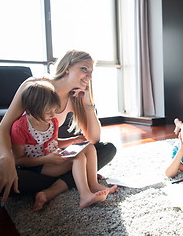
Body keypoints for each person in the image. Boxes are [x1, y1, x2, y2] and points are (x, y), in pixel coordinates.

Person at [0, 50, 116, 206]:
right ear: (68, 67)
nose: (89, 76)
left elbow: (94, 139)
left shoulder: (75, 98)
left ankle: (59, 185)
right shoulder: (34, 87)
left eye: (91, 72)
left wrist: (88, 102)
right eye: (84, 69)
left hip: (53, 158)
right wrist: (6, 160)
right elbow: (2, 129)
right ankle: (70, 179)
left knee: (107, 149)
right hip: (29, 162)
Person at [11, 81, 117, 209]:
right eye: (48, 111)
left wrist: (72, 140)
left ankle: (93, 184)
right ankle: (85, 195)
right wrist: (46, 159)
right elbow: (19, 160)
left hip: (53, 157)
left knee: (88, 147)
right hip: (37, 165)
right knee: (79, 158)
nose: (52, 114)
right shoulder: (20, 128)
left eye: (54, 110)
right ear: (30, 109)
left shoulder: (52, 121)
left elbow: (54, 142)